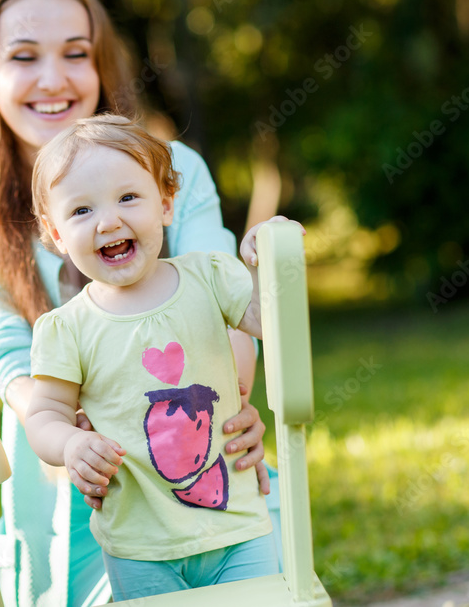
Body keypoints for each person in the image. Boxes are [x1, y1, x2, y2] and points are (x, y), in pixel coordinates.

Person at [0, 0, 278, 606]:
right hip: (74, 480)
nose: (54, 79)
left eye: (76, 53)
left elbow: (230, 299)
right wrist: (74, 443)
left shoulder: (176, 170)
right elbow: (9, 359)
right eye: (24, 56)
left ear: (102, 67)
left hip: (207, 462)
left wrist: (232, 406)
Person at [25, 115, 293, 600]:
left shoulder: (208, 277)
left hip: (237, 528)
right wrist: (68, 444)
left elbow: (270, 318)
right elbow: (44, 414)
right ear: (57, 234)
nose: (108, 221)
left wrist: (271, 256)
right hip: (138, 546)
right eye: (81, 210)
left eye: (128, 197)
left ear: (166, 204)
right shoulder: (67, 329)